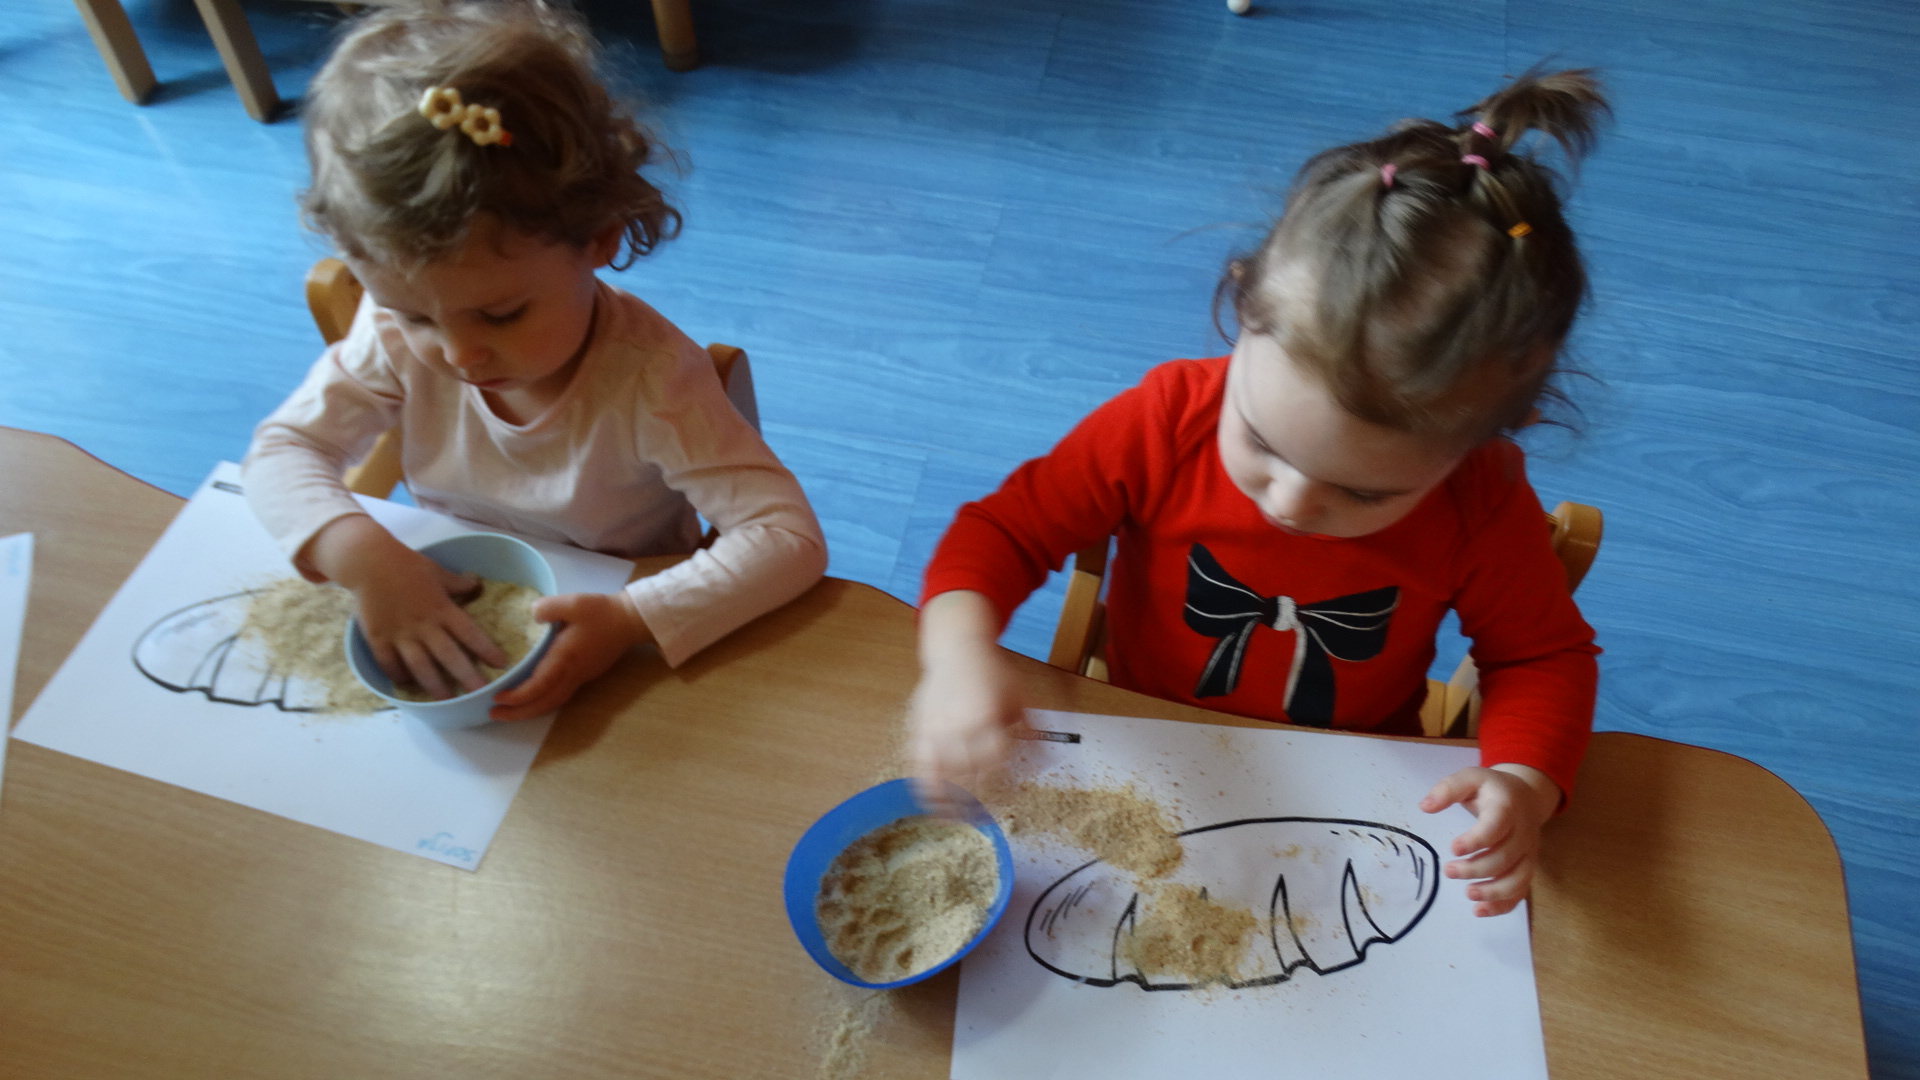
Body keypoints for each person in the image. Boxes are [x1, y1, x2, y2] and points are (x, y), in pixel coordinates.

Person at [909, 69, 1609, 918]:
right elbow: (1002, 533)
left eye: (1363, 493)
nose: (1290, 503)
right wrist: (958, 656)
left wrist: (1524, 782)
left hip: (1349, 774)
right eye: (1263, 444)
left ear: (1488, 438)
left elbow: (1541, 657)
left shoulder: (1481, 500)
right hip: (1142, 730)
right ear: (1242, 304)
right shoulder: (1169, 420)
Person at [244, 0, 826, 721]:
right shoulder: (389, 334)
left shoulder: (651, 382)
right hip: (458, 578)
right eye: (415, 314)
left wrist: (634, 618)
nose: (458, 353)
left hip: (617, 612)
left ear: (599, 237)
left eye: (501, 315)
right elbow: (282, 450)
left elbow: (787, 537)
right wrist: (360, 553)